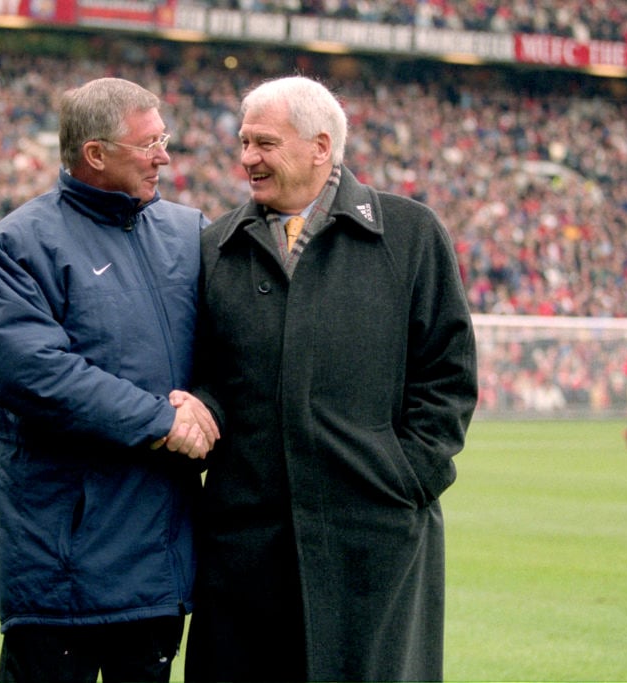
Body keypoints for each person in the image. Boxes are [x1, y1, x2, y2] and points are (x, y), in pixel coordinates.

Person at [182, 76, 478, 682]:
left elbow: (447, 374)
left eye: (264, 142)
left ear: (321, 147)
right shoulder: (216, 247)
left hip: (374, 542)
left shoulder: (410, 234)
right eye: (243, 142)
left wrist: (407, 477)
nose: (247, 158)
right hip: (245, 549)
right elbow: (208, 374)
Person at [0, 77, 219, 683]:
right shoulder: (16, 246)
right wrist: (164, 422)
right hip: (63, 566)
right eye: (149, 143)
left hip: (158, 562)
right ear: (96, 154)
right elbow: (30, 373)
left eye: (165, 139)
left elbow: (229, 350)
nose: (165, 155)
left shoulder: (191, 234)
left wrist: (205, 406)